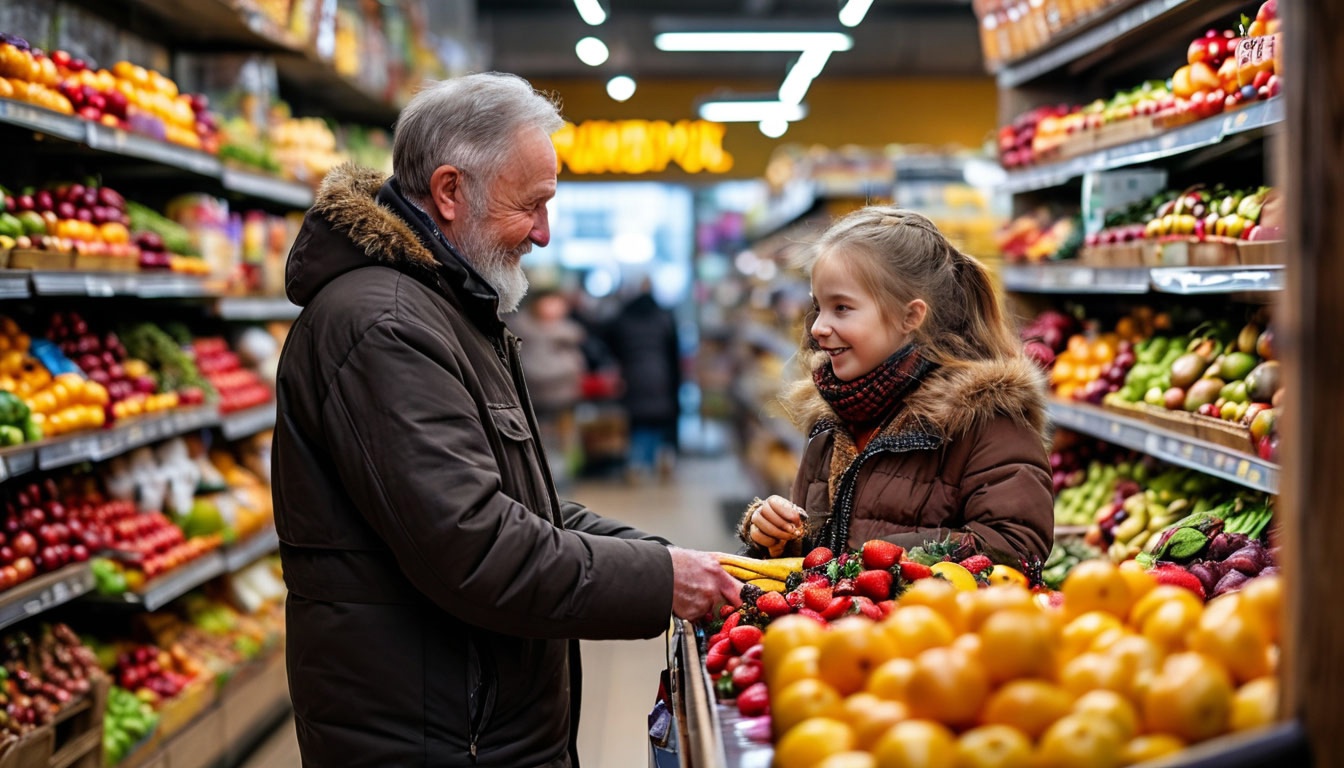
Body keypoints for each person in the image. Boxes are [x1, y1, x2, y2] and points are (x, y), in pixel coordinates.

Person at [272, 72, 741, 767]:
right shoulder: (386, 326)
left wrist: (670, 561)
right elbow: (477, 548)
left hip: (468, 722)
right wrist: (660, 582)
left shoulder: (449, 308)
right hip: (433, 736)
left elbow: (528, 511)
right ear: (451, 191)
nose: (544, 235)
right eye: (533, 206)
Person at [738, 208, 1053, 565]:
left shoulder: (985, 422)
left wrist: (866, 563)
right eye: (818, 307)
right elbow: (814, 558)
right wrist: (779, 539)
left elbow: (1016, 545)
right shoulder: (832, 420)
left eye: (841, 308)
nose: (817, 328)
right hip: (841, 621)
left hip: (929, 621)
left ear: (910, 316)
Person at [603, 283, 683, 481]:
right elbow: (675, 353)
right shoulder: (664, 317)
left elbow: (609, 343)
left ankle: (635, 464)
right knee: (664, 420)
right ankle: (665, 459)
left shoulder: (623, 319)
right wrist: (677, 382)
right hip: (661, 375)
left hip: (632, 376)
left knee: (636, 422)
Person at [508, 289, 587, 484]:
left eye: (558, 302)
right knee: (541, 446)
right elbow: (533, 370)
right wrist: (568, 369)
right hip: (535, 401)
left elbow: (579, 366)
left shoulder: (569, 333)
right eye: (550, 301)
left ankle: (564, 481)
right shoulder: (524, 331)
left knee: (566, 445)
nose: (556, 307)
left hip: (566, 400)